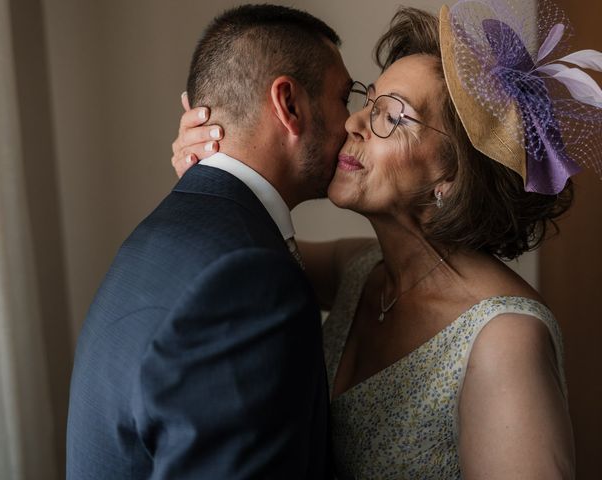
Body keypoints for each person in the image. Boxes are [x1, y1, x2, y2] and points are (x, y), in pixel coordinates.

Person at [173, 0, 602, 477]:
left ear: (454, 176)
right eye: (367, 101)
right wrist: (217, 165)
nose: (353, 123)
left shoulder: (506, 339)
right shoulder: (361, 271)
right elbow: (244, 257)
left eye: (392, 117)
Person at [66, 5, 352, 479]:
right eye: (345, 97)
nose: (353, 122)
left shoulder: (158, 236)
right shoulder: (248, 277)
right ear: (291, 105)